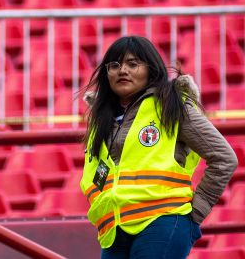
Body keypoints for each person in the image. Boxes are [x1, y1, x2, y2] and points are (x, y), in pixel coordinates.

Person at [79, 36, 238, 259]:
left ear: (150, 69)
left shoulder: (172, 104)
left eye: (133, 64)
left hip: (162, 220)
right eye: (114, 65)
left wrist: (195, 213)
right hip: (114, 229)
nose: (122, 70)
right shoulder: (101, 119)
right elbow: (99, 175)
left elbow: (224, 158)